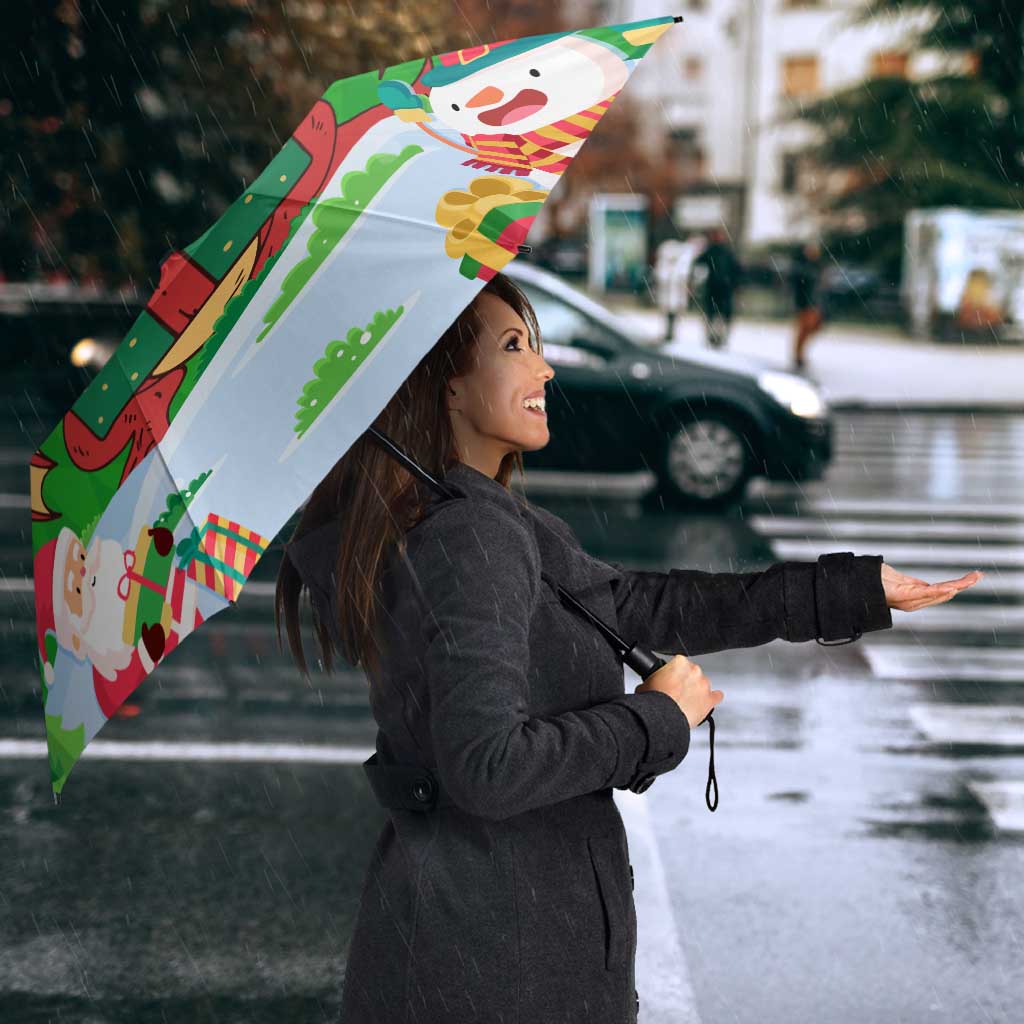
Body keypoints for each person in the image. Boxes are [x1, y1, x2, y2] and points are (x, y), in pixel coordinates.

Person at [276, 271, 982, 1024]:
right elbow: (487, 767)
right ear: (445, 387)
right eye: (514, 346)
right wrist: (655, 719)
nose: (544, 368)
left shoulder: (479, 520)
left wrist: (849, 590)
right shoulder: (470, 536)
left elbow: (642, 605)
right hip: (496, 961)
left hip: (478, 942)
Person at [692, 226, 742, 349]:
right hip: (715, 288)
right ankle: (713, 337)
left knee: (720, 315)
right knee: (713, 314)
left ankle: (719, 337)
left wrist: (735, 284)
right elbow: (698, 264)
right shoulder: (712, 251)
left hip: (723, 288)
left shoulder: (725, 252)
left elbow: (736, 270)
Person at [790, 239, 826, 370]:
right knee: (804, 329)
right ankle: (798, 355)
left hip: (814, 303)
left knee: (812, 328)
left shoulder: (817, 266)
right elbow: (799, 286)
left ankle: (799, 354)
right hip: (805, 303)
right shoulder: (802, 267)